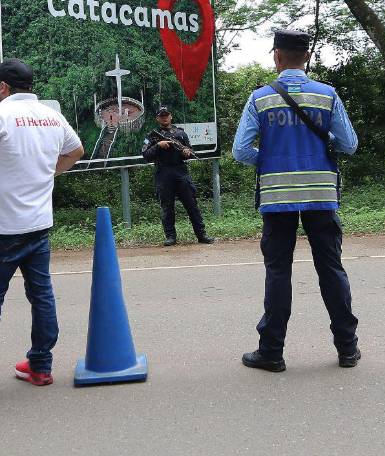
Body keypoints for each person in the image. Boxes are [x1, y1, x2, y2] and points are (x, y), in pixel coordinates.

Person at [0, 58, 84, 400]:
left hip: (0, 228)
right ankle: (40, 366)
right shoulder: (52, 116)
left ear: (3, 87)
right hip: (38, 226)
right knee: (42, 295)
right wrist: (48, 173)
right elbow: (76, 151)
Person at [233, 29, 360, 371]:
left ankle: (272, 352)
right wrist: (326, 139)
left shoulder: (260, 98)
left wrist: (271, 157)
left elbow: (241, 150)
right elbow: (349, 145)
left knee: (278, 272)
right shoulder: (327, 95)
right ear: (306, 57)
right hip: (321, 195)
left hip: (277, 199)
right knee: (331, 269)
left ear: (276, 56)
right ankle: (347, 349)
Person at [142, 106, 214, 246]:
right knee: (167, 207)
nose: (164, 118)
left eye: (166, 115)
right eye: (161, 116)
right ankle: (170, 237)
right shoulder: (152, 136)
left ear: (171, 116)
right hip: (163, 173)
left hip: (180, 172)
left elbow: (188, 150)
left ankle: (201, 235)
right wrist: (158, 145)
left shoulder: (180, 134)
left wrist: (186, 153)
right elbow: (145, 155)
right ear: (157, 118)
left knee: (192, 205)